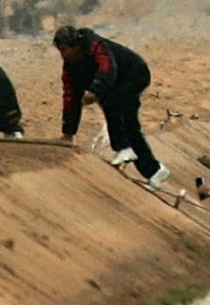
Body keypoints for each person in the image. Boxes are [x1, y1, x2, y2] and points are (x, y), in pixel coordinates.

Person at [55, 25, 165, 185]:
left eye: (65, 49)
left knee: (111, 102)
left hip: (135, 73)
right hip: (117, 84)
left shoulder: (94, 45)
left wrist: (95, 90)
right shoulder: (70, 69)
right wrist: (68, 133)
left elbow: (108, 67)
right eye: (60, 51)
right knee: (130, 125)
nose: (63, 55)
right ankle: (154, 171)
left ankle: (123, 148)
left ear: (76, 46)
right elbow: (70, 99)